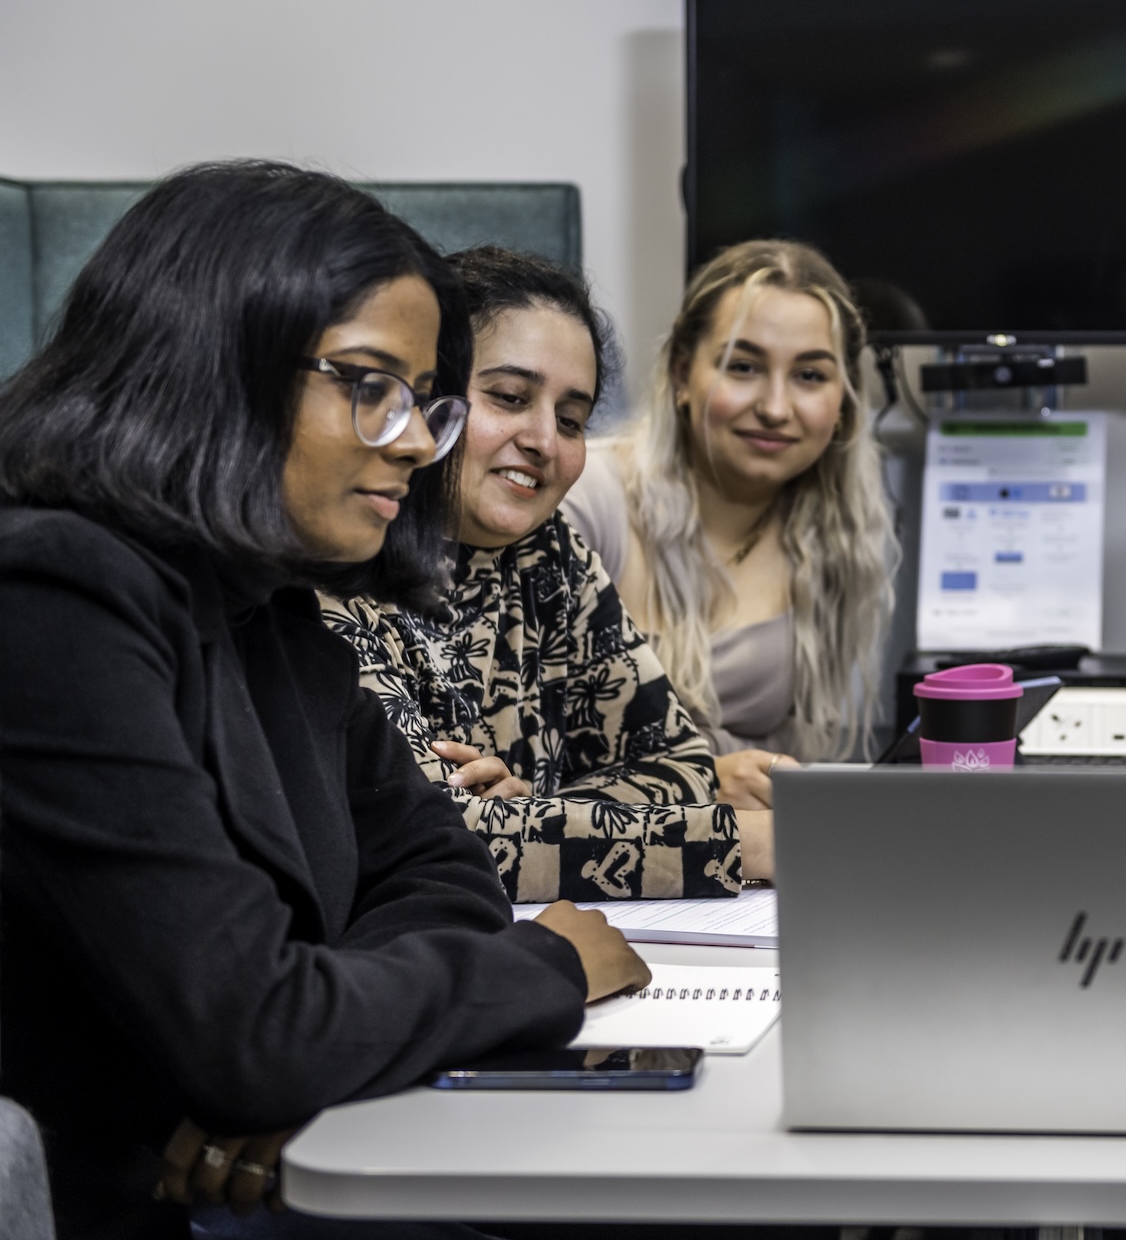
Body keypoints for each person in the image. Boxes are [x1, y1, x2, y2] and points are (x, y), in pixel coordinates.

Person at [0, 162, 649, 1240]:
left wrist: (301, 1058)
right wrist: (547, 965)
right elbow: (258, 1033)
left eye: (425, 401)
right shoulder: (56, 596)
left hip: (244, 1154)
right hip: (114, 1198)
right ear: (215, 360)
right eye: (368, 384)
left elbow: (440, 874)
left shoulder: (271, 605)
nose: (410, 441)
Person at [322, 247, 765, 902]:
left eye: (571, 420)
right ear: (424, 397)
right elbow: (427, 837)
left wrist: (534, 810)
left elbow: (682, 766)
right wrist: (748, 843)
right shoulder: (336, 560)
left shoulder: (550, 554)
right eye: (508, 397)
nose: (544, 441)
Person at [564, 240, 895, 797]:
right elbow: (513, 756)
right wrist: (697, 783)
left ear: (844, 402)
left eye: (810, 376)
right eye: (743, 366)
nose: (774, 406)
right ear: (681, 372)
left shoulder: (840, 537)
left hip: (742, 864)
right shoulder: (587, 497)